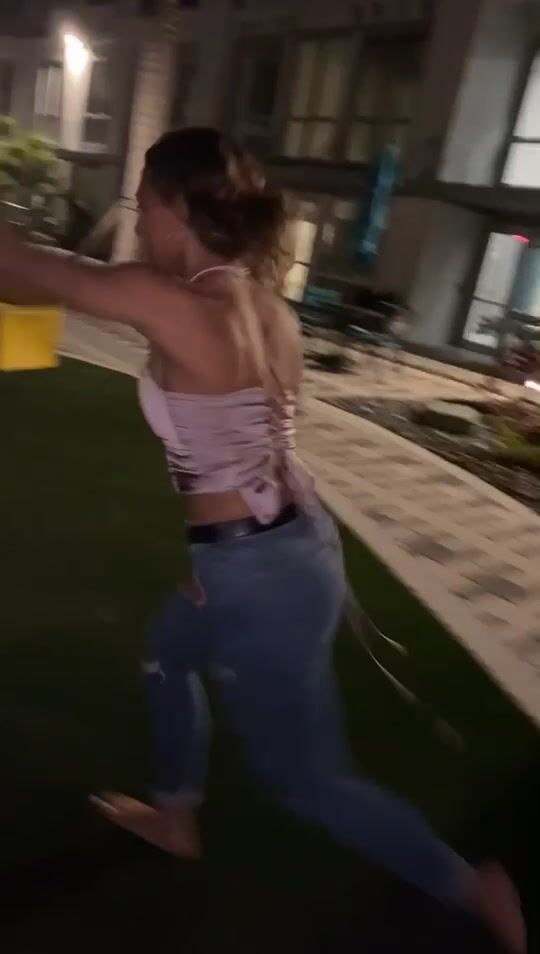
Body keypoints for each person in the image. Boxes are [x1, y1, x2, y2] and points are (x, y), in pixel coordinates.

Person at [0, 128, 524, 953]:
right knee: (169, 649)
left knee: (306, 778)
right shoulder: (264, 306)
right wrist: (224, 564)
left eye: (144, 203)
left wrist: (235, 570)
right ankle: (175, 816)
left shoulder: (169, 301)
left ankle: (472, 887)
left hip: (261, 572)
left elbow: (28, 271)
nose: (138, 220)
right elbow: (255, 439)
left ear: (178, 209)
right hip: (287, 542)